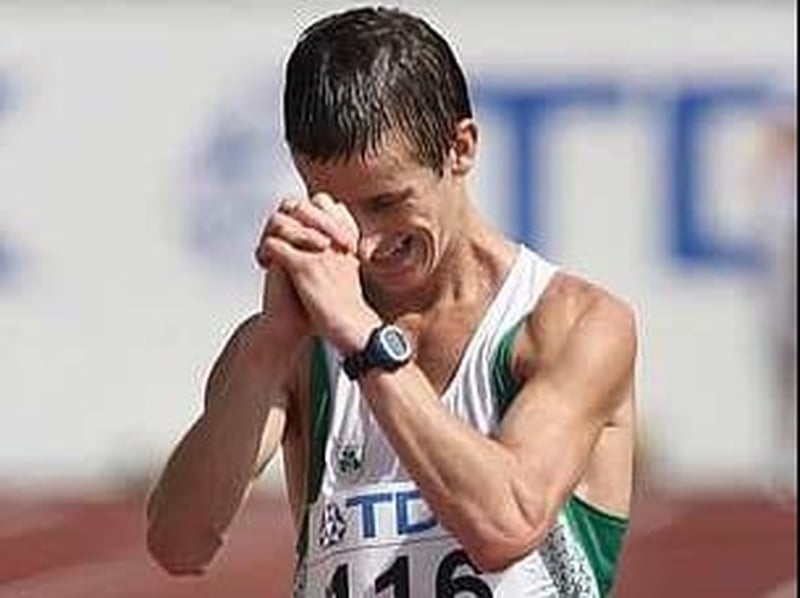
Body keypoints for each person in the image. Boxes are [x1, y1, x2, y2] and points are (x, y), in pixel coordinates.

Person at [146, 7, 637, 597]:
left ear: (460, 149)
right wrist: (268, 347)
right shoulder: (299, 348)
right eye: (333, 203)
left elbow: (505, 524)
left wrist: (364, 338)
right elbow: (178, 544)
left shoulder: (570, 322)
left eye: (386, 202)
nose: (368, 241)